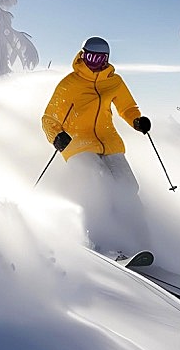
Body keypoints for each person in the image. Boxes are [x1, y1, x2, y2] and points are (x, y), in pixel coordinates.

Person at [41, 36, 151, 253]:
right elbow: (49, 118)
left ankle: (141, 241)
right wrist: (57, 136)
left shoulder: (114, 81)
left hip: (108, 142)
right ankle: (97, 240)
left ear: (107, 59)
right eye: (90, 57)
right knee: (97, 183)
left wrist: (136, 120)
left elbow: (127, 107)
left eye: (100, 59)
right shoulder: (70, 84)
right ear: (82, 55)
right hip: (78, 143)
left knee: (128, 187)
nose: (95, 63)